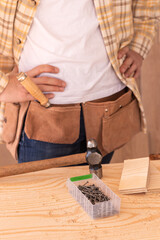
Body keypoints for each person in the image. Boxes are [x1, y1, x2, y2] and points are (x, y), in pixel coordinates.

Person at [0, 0, 159, 164]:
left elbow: (147, 4)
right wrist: (4, 87)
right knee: (45, 189)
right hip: (41, 116)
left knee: (96, 188)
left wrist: (138, 46)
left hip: (109, 108)